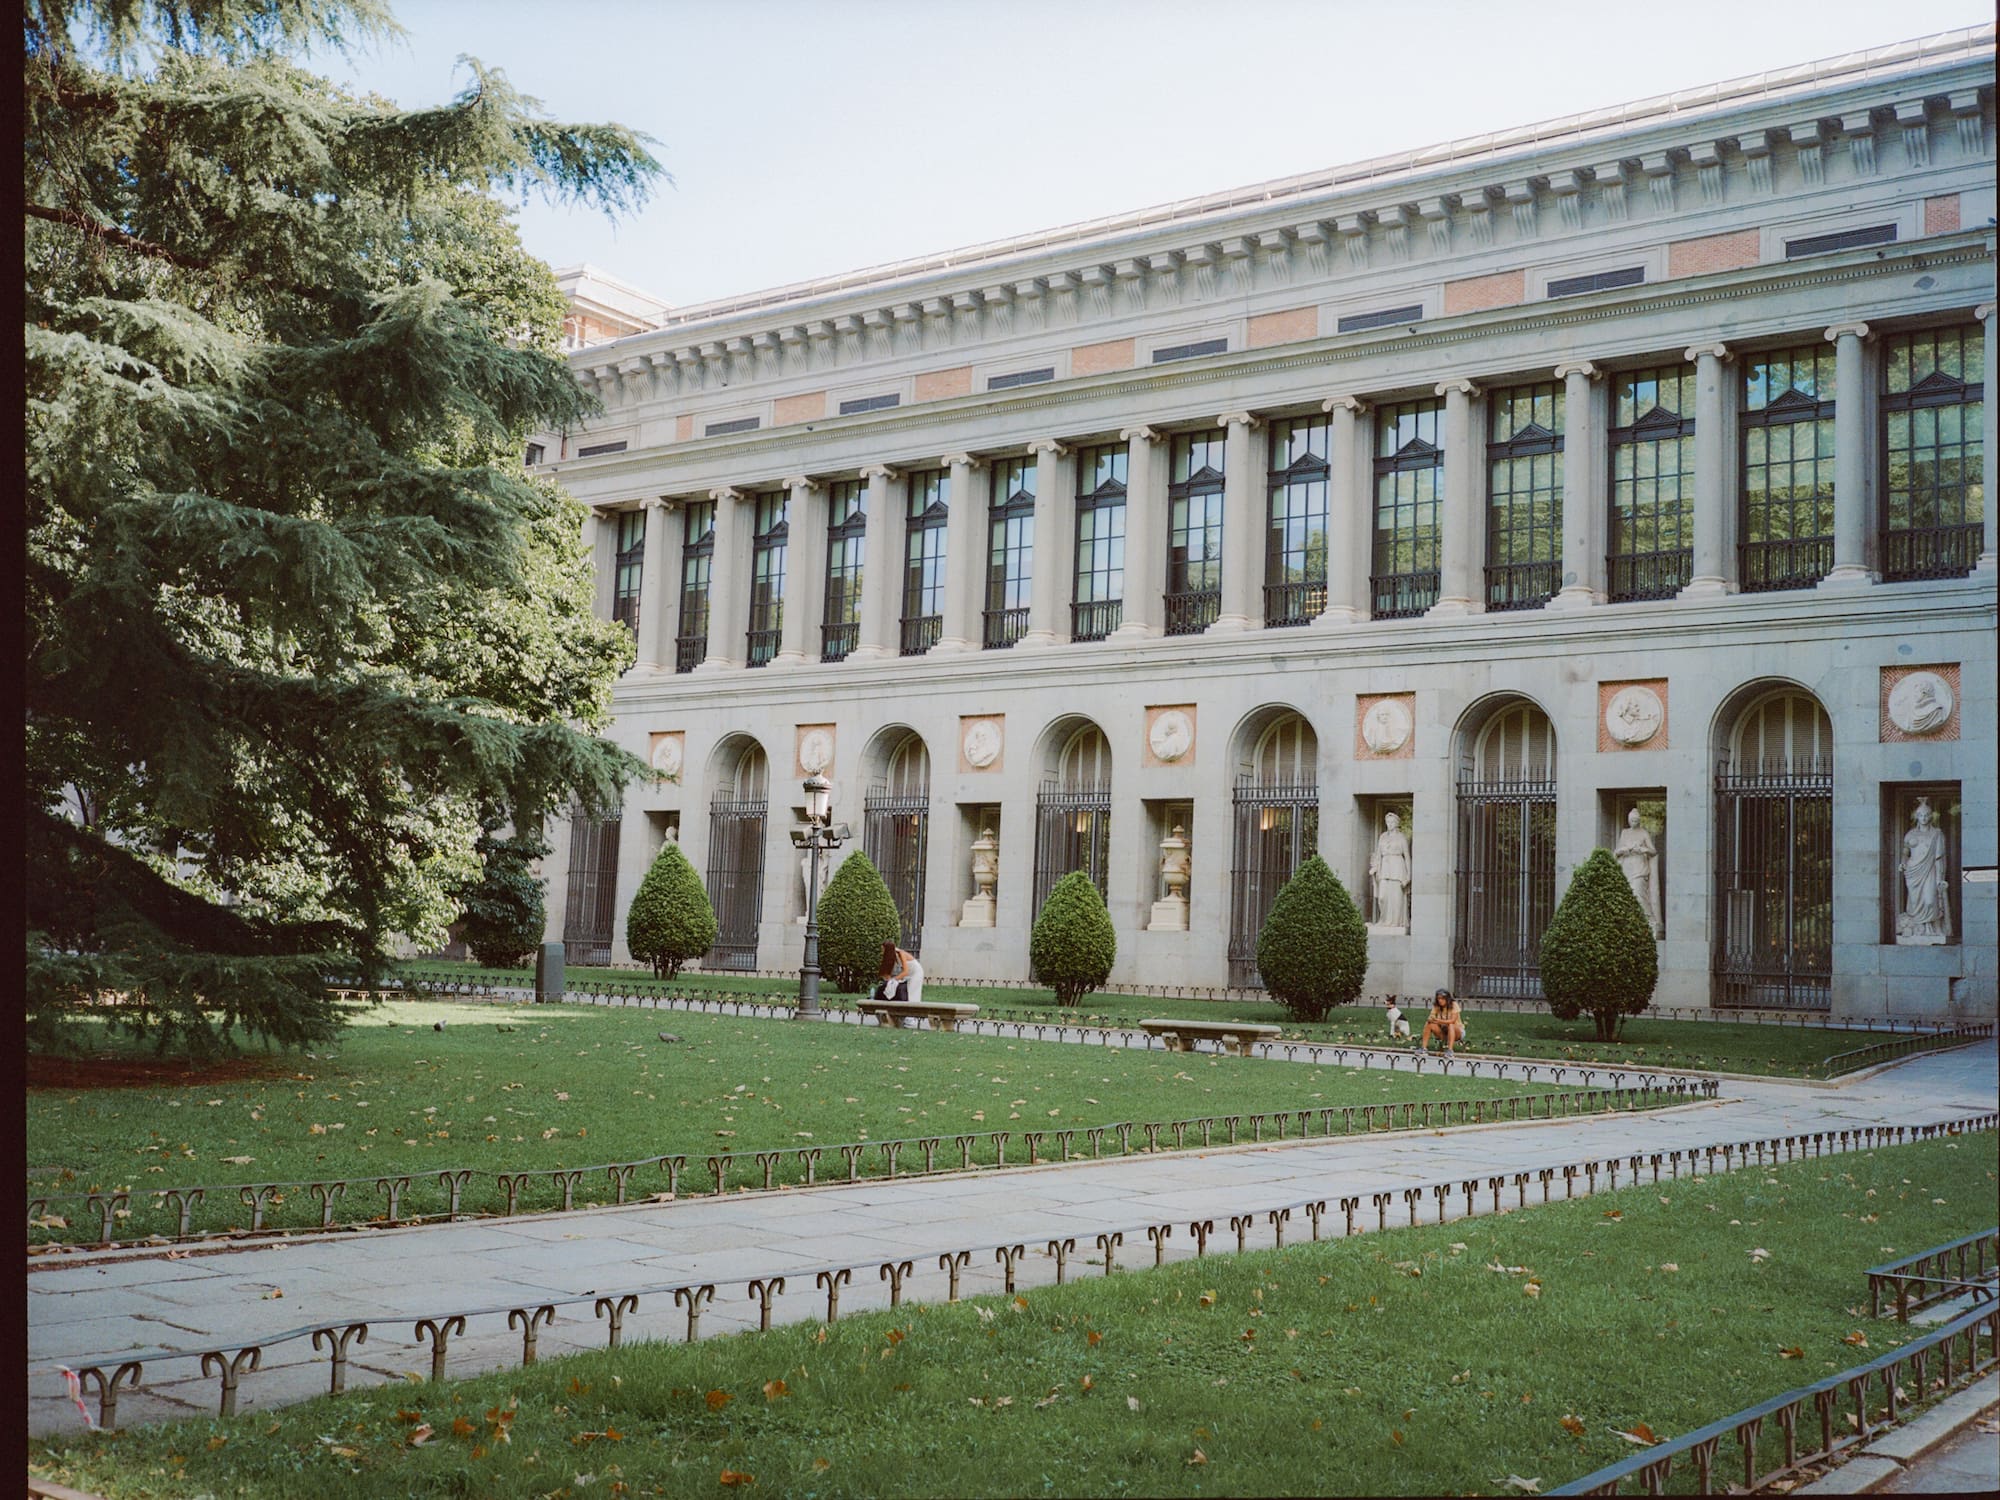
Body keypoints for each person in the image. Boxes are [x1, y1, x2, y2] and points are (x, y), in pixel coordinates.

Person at [1418, 989, 1466, 1056]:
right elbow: (1430, 1018)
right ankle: (1423, 1049)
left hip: (1457, 1032)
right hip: (1442, 1030)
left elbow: (1453, 1020)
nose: (1440, 1000)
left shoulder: (1453, 1004)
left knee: (1450, 1025)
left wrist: (1438, 1021)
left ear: (1447, 999)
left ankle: (1450, 1051)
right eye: (1438, 998)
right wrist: (1432, 1019)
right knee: (1429, 1024)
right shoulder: (1437, 1006)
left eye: (1442, 998)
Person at [878, 940, 924, 1006]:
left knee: (912, 993)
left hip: (916, 973)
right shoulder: (893, 956)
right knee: (905, 991)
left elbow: (905, 972)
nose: (882, 952)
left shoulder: (901, 954)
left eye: (883, 950)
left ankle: (913, 1009)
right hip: (909, 973)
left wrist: (894, 979)